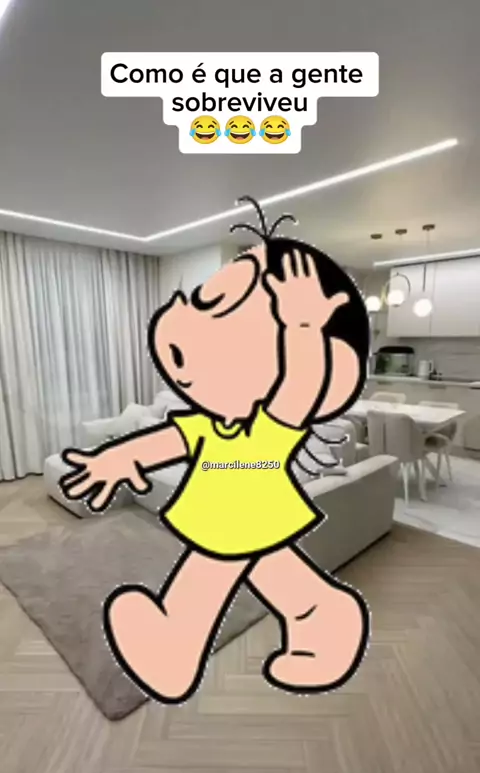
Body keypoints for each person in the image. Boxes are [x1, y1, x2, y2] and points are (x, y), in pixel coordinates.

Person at [60, 196, 371, 705]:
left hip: (245, 516)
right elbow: (168, 440)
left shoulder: (272, 425)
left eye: (223, 312)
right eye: (204, 301)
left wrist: (302, 327)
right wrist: (116, 458)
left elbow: (299, 387)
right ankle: (323, 616)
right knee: (280, 579)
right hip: (232, 518)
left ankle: (175, 646)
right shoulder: (210, 423)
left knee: (212, 576)